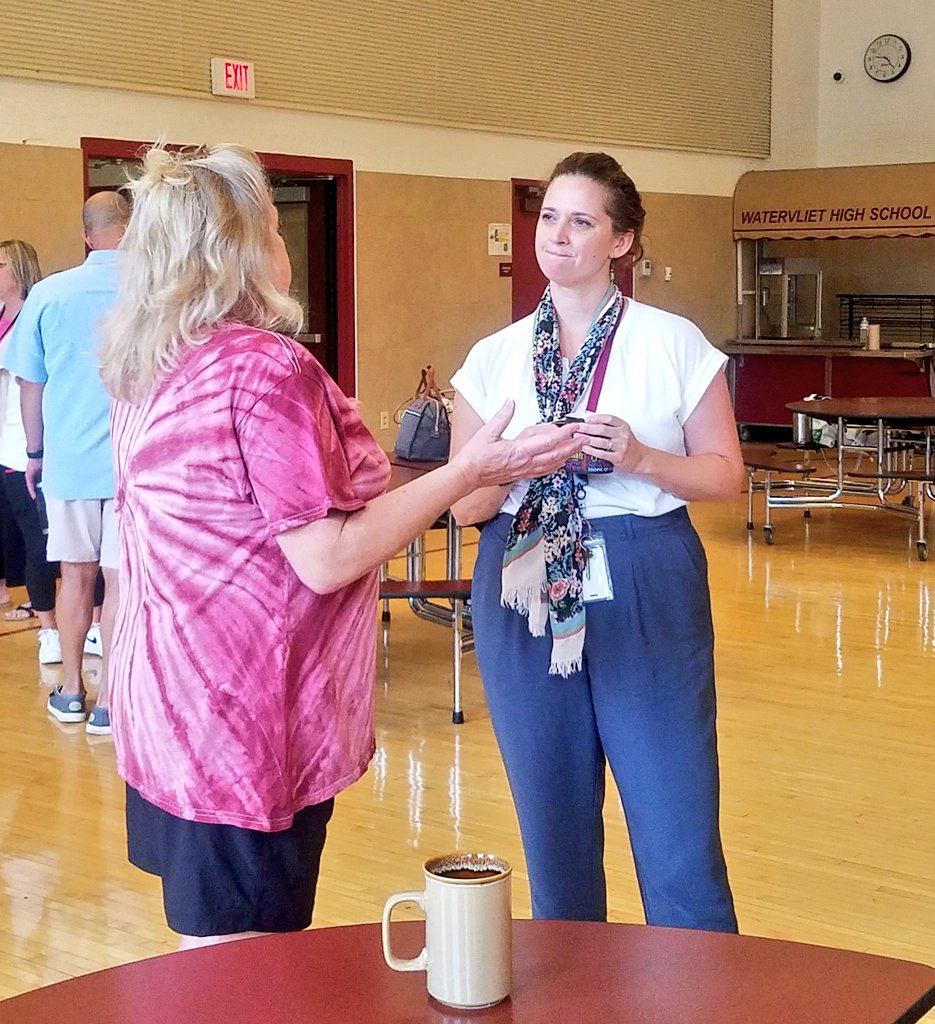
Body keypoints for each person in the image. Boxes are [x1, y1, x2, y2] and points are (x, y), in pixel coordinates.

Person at [98, 142, 580, 949]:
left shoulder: (148, 361)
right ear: (244, 250)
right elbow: (326, 556)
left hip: (166, 702)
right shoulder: (263, 370)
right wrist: (470, 470)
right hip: (241, 723)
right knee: (241, 971)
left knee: (208, 955)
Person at [449, 152, 744, 932]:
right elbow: (465, 503)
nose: (558, 235)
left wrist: (642, 458)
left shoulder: (672, 341)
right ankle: (574, 997)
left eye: (581, 221)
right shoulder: (492, 357)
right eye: (548, 216)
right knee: (552, 827)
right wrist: (510, 461)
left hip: (644, 568)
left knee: (673, 816)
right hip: (521, 572)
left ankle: (702, 994)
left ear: (622, 241)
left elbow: (723, 477)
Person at [2, 194, 129, 733]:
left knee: (74, 580)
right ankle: (113, 703)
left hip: (70, 462)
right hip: (135, 463)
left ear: (86, 236)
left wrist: (34, 454)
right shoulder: (159, 293)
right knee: (120, 583)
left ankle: (73, 690)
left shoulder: (49, 294)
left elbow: (31, 386)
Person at [0, 240, 65, 663]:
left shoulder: (33, 315)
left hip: (25, 440)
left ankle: (54, 629)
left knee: (38, 535)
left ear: (18, 269)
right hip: (3, 442)